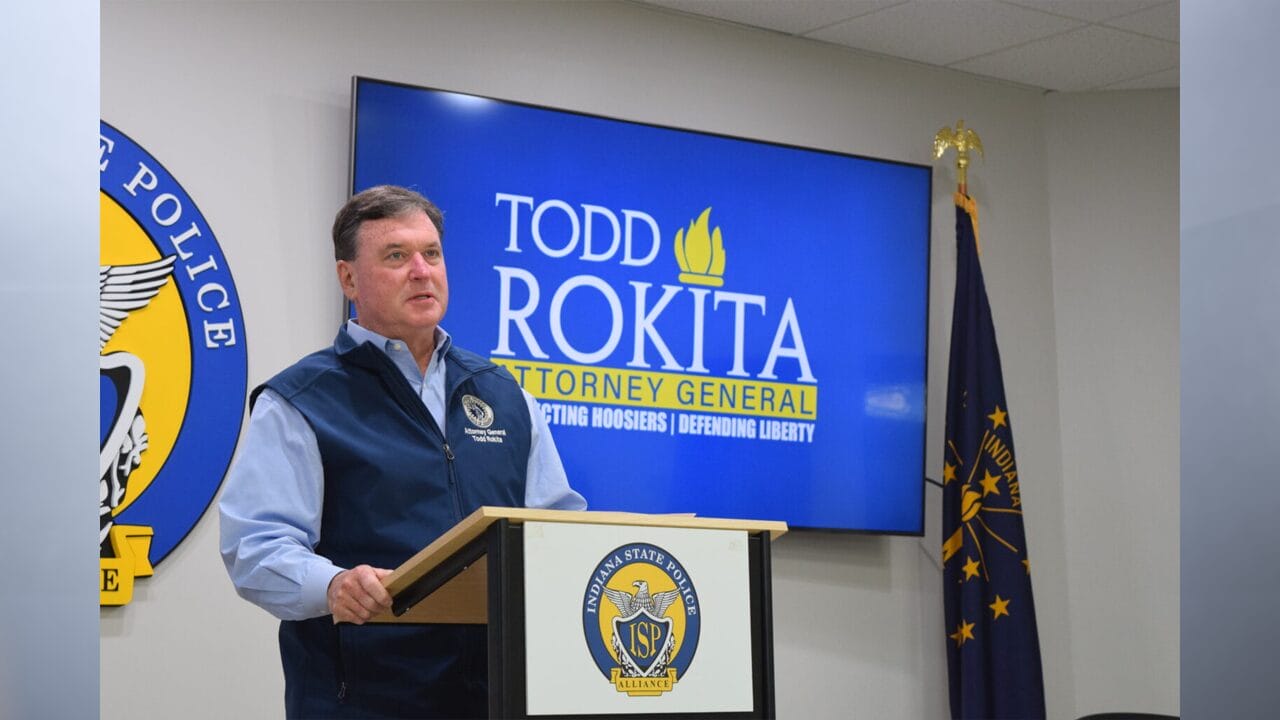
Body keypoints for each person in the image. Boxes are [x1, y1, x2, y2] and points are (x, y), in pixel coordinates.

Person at [219, 185, 586, 718]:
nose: (421, 270)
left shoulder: (506, 396)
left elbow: (556, 532)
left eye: (431, 253)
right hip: (365, 699)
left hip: (497, 697)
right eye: (396, 256)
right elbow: (255, 547)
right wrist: (334, 585)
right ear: (348, 278)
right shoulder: (301, 400)